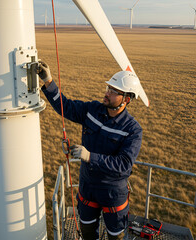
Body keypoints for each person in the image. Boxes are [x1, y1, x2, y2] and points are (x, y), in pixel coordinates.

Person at [36, 61, 143, 240]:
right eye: (108, 88)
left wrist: (89, 156)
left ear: (126, 99)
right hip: (88, 187)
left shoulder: (132, 130)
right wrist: (48, 81)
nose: (107, 93)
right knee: (87, 233)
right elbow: (66, 106)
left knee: (115, 236)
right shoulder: (92, 110)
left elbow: (124, 165)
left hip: (113, 192)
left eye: (113, 91)